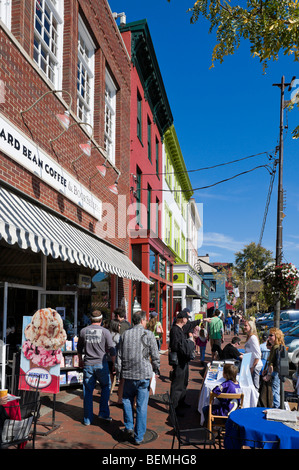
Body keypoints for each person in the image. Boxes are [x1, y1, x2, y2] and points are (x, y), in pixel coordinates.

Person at [116, 310, 160, 445]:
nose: (146, 322)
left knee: (127, 400)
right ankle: (139, 436)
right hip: (143, 374)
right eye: (145, 320)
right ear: (142, 321)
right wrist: (156, 368)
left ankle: (129, 426)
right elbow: (155, 354)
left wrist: (119, 374)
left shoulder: (125, 335)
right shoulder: (149, 334)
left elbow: (119, 356)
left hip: (129, 373)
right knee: (141, 405)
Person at [77, 310, 116, 425]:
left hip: (88, 364)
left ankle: (87, 419)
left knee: (88, 391)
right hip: (101, 364)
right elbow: (112, 349)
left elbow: (79, 348)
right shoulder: (105, 332)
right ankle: (103, 413)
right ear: (101, 319)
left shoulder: (83, 331)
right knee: (105, 387)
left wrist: (80, 360)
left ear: (90, 319)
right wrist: (114, 363)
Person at [169, 310, 196, 416]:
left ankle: (181, 402)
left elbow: (190, 325)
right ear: (182, 319)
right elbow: (176, 345)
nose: (187, 320)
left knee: (184, 382)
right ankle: (174, 408)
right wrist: (187, 344)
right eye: (186, 318)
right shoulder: (175, 330)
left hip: (184, 360)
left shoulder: (180, 329)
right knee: (177, 385)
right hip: (179, 360)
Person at [262, 327, 285, 408]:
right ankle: (277, 407)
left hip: (275, 373)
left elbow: (271, 363)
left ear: (277, 336)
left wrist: (268, 374)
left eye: (271, 335)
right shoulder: (278, 346)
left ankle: (277, 408)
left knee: (275, 392)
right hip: (278, 373)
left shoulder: (275, 347)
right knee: (276, 391)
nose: (269, 337)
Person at [243, 319, 263, 390]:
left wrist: (252, 367)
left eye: (246, 325)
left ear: (251, 327)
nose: (244, 327)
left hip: (254, 366)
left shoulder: (253, 338)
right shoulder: (249, 337)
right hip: (249, 364)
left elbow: (258, 354)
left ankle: (255, 401)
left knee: (254, 387)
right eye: (244, 325)